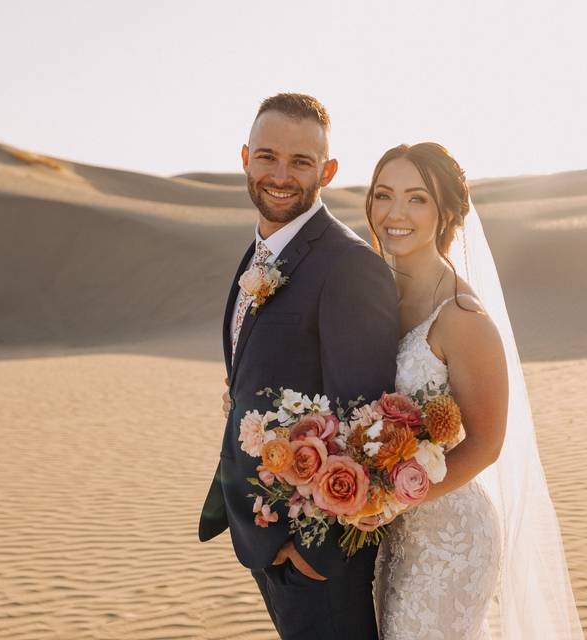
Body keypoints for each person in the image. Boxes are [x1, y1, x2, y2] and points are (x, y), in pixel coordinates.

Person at [198, 93, 399, 639]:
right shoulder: (259, 252)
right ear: (244, 158)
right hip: (266, 541)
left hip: (314, 562)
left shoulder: (349, 267)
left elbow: (368, 422)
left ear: (328, 171)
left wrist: (314, 552)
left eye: (301, 162)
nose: (280, 175)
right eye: (267, 156)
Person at [364, 143, 585, 639]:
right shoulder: (373, 296)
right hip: (392, 538)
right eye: (383, 195)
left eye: (416, 199)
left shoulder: (463, 318)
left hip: (450, 540)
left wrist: (394, 501)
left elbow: (486, 443)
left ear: (445, 213)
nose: (395, 213)